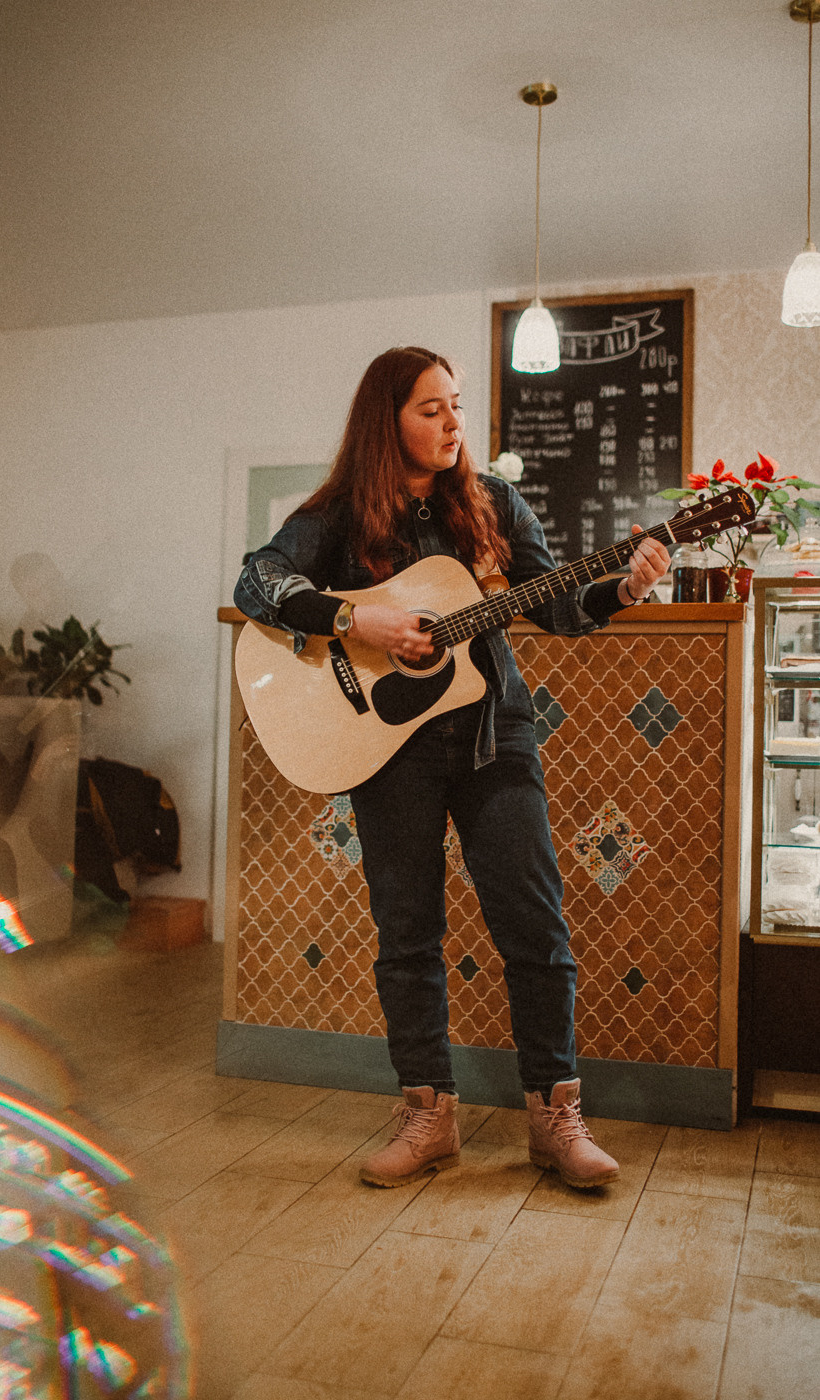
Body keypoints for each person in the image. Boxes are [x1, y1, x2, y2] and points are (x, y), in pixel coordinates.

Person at [235, 346, 670, 1191]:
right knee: (407, 934)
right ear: (385, 420)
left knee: (533, 922)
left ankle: (553, 1116)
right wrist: (358, 621)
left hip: (492, 735)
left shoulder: (493, 503)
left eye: (456, 405)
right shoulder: (336, 513)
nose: (452, 423)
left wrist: (622, 589)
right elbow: (259, 581)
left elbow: (554, 605)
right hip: (386, 746)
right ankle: (427, 1115)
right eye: (430, 408)